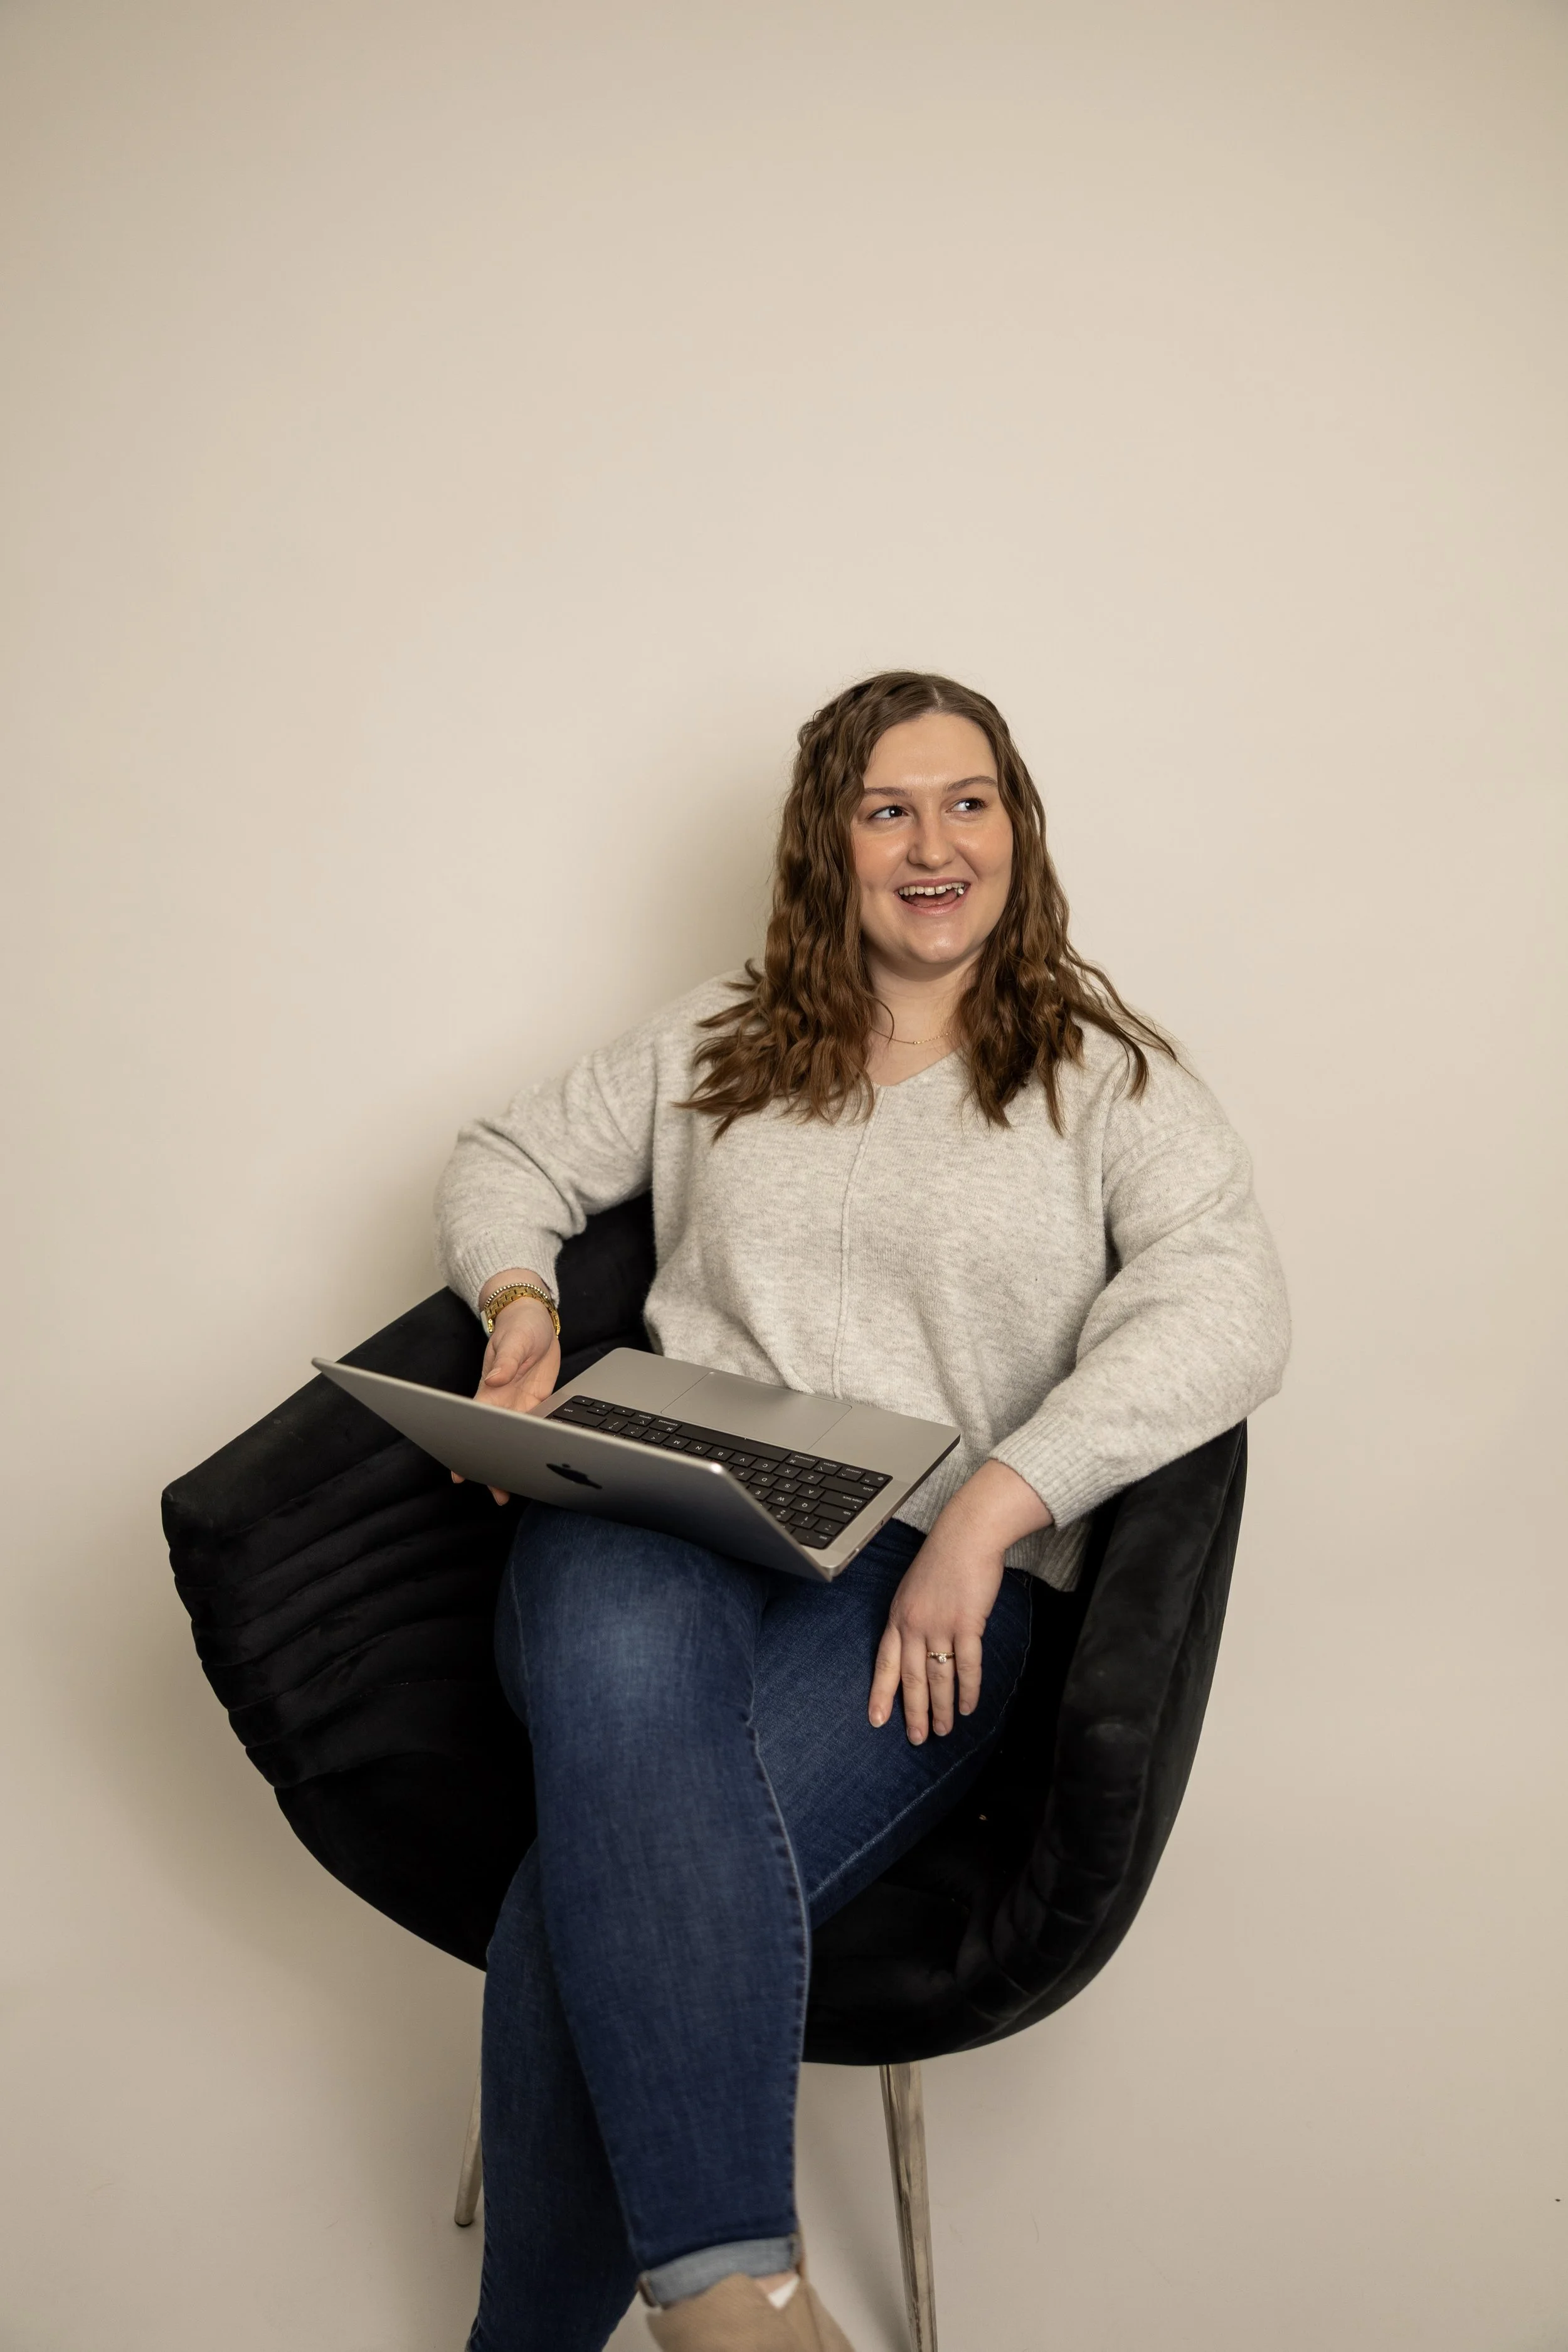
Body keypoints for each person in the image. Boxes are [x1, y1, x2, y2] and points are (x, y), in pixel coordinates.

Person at [435, 670, 1290, 2352]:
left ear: (1015, 831)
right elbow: (501, 1155)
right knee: (618, 1688)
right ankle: (733, 2294)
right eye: (885, 805)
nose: (930, 842)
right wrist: (521, 1303)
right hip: (662, 1485)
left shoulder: (1099, 1080)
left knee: (589, 1878)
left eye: (965, 800)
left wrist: (992, 1508)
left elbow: (1226, 1308)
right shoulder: (720, 1032)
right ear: (831, 840)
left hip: (913, 1558)